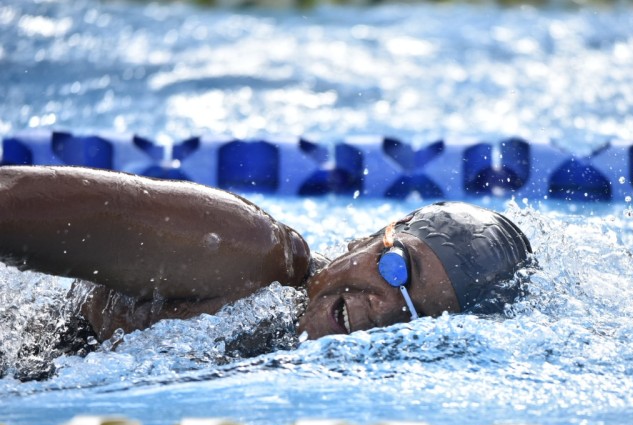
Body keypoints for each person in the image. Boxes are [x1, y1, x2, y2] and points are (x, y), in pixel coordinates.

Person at [0, 165, 532, 368]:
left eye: (419, 316)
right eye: (398, 271)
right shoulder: (246, 250)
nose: (386, 309)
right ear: (376, 236)